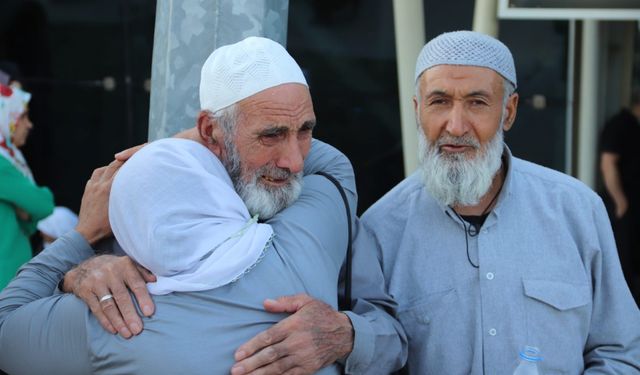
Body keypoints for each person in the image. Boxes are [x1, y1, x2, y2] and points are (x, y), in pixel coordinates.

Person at [0, 37, 358, 374]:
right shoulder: (303, 240)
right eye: (271, 134)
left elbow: (5, 329)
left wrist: (81, 238)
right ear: (211, 131)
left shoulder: (119, 320)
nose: (295, 162)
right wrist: (190, 141)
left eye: (304, 130)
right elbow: (335, 167)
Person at [0, 79, 54, 290]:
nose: (29, 124)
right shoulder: (2, 164)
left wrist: (26, 213)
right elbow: (43, 204)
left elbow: (30, 219)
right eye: (22, 116)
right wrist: (25, 210)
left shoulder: (8, 158)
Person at [600, 90, 640, 305]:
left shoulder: (633, 124)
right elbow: (608, 163)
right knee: (622, 261)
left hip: (632, 207)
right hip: (621, 208)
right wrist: (620, 201)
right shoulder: (621, 124)